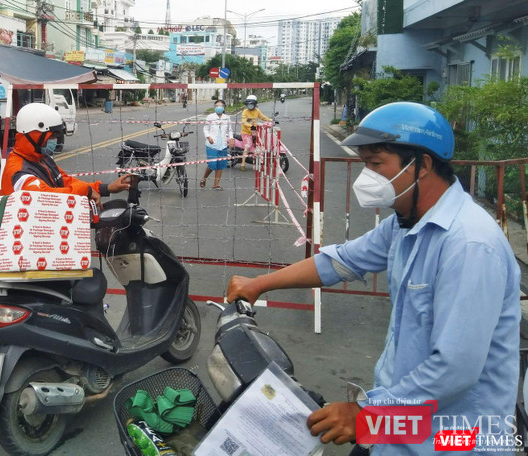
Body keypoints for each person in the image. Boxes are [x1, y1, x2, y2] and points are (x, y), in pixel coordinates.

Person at [226, 102, 520, 454]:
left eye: (377, 164)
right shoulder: (406, 222)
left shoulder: (470, 245)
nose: (369, 177)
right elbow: (341, 261)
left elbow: (455, 368)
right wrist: (260, 284)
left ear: (422, 165)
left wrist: (366, 414)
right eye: (365, 164)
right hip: (395, 425)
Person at [0, 103, 132, 205]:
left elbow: (65, 182)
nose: (54, 140)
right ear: (35, 135)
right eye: (51, 136)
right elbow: (44, 196)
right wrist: (85, 191)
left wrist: (105, 188)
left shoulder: (42, 158)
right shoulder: (18, 170)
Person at [201, 99, 233, 190]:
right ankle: (204, 178)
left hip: (222, 145)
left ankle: (216, 184)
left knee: (220, 165)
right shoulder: (210, 117)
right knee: (212, 164)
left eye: (221, 106)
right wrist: (208, 137)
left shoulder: (227, 118)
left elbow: (230, 130)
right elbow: (205, 129)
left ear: (224, 107)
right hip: (211, 145)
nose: (219, 107)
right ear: (214, 107)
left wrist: (231, 138)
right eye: (217, 106)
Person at [238, 94, 272, 171]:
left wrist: (271, 120)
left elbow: (263, 117)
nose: (250, 105)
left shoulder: (257, 111)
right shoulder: (245, 112)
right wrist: (251, 126)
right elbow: (244, 122)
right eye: (248, 104)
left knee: (261, 143)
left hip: (255, 132)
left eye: (252, 103)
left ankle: (258, 160)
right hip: (246, 133)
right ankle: (243, 164)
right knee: (248, 145)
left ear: (255, 104)